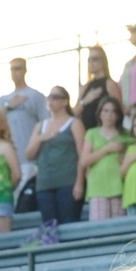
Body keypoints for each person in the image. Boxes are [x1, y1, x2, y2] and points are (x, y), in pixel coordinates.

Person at [26, 87, 84, 244]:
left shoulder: (74, 123)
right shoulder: (40, 126)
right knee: (49, 228)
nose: (51, 100)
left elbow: (82, 154)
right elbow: (29, 154)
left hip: (68, 182)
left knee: (69, 223)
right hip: (44, 184)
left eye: (56, 97)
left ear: (65, 101)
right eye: (49, 97)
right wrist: (41, 138)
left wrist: (80, 182)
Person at [0, 58, 49, 198]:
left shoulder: (35, 96)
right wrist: (9, 106)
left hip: (29, 160)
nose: (15, 72)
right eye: (12, 69)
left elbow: (46, 123)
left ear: (25, 70)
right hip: (6, 160)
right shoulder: (2, 100)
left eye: (18, 68)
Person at [78, 95, 130, 222]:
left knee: (119, 226)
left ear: (118, 115)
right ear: (100, 114)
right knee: (98, 224)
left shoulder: (126, 135)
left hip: (119, 186)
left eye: (113, 111)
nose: (109, 115)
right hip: (97, 187)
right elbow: (84, 161)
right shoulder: (92, 133)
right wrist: (107, 149)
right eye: (106, 111)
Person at [75, 50, 121, 134]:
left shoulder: (109, 84)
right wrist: (85, 101)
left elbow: (118, 109)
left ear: (103, 61)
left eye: (95, 59)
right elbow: (74, 113)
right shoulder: (85, 87)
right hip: (86, 132)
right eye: (89, 60)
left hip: (104, 133)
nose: (91, 63)